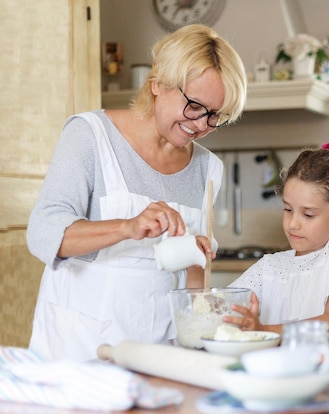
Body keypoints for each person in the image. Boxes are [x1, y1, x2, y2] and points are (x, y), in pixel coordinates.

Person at [26, 24, 247, 361]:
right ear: (157, 83)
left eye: (215, 115)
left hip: (160, 352)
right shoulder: (90, 136)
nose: (202, 124)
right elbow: (43, 234)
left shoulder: (207, 168)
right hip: (80, 349)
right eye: (194, 105)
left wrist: (208, 315)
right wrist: (127, 227)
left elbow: (194, 280)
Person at [224, 142, 329, 339]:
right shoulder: (271, 266)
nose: (293, 224)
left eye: (308, 215)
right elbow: (221, 306)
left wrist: (264, 331)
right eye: (288, 210)